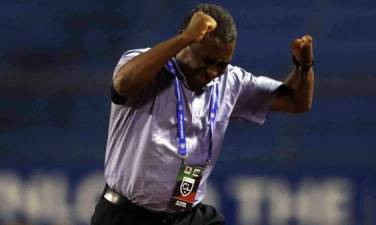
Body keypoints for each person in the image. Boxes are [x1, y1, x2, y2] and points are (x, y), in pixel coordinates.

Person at [91, 3, 314, 225]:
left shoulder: (230, 82)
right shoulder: (148, 63)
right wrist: (185, 38)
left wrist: (303, 68)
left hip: (186, 215)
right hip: (127, 216)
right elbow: (122, 85)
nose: (212, 72)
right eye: (207, 61)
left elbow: (296, 102)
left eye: (221, 65)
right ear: (185, 43)